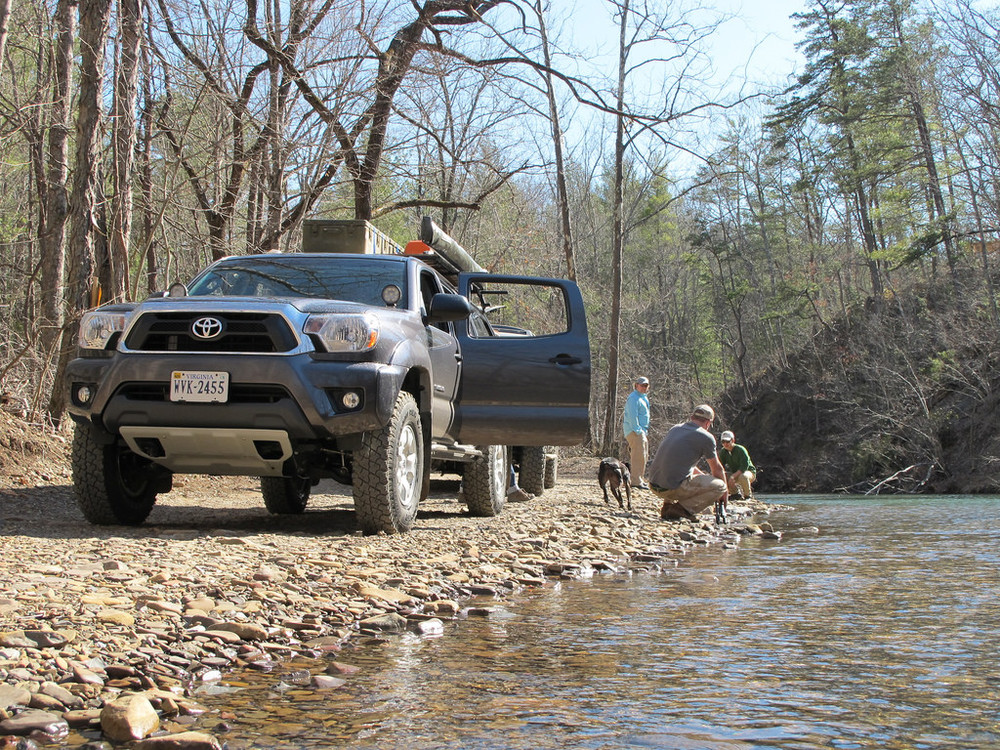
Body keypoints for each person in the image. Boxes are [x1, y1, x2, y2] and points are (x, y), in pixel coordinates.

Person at [647, 404, 728, 521]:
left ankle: (667, 506)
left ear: (692, 417)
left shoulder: (675, 428)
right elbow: (717, 469)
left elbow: (681, 464)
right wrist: (724, 495)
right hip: (671, 489)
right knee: (720, 486)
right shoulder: (706, 437)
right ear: (708, 423)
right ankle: (682, 508)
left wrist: (702, 476)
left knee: (675, 472)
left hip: (654, 485)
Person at [622, 376, 651, 489]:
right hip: (635, 431)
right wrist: (638, 430)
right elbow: (632, 416)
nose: (644, 387)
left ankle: (639, 479)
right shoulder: (633, 398)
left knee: (643, 455)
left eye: (646, 385)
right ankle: (635, 481)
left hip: (641, 431)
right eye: (642, 385)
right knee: (638, 455)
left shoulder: (643, 398)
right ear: (636, 385)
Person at [718, 430, 756, 500]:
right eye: (723, 442)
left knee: (743, 476)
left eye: (727, 441)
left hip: (748, 472)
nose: (725, 444)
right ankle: (735, 494)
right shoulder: (723, 451)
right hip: (735, 473)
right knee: (723, 475)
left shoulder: (740, 449)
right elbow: (720, 466)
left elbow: (744, 466)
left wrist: (733, 476)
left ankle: (748, 496)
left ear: (733, 440)